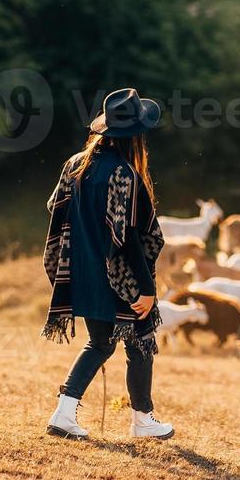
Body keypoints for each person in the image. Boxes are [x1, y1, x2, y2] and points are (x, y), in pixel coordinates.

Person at [41, 88, 174, 440]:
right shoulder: (123, 173)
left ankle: (63, 413)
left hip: (81, 273)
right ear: (134, 136)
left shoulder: (73, 165)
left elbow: (56, 209)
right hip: (119, 276)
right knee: (140, 340)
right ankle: (143, 420)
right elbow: (127, 236)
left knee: (100, 343)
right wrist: (145, 288)